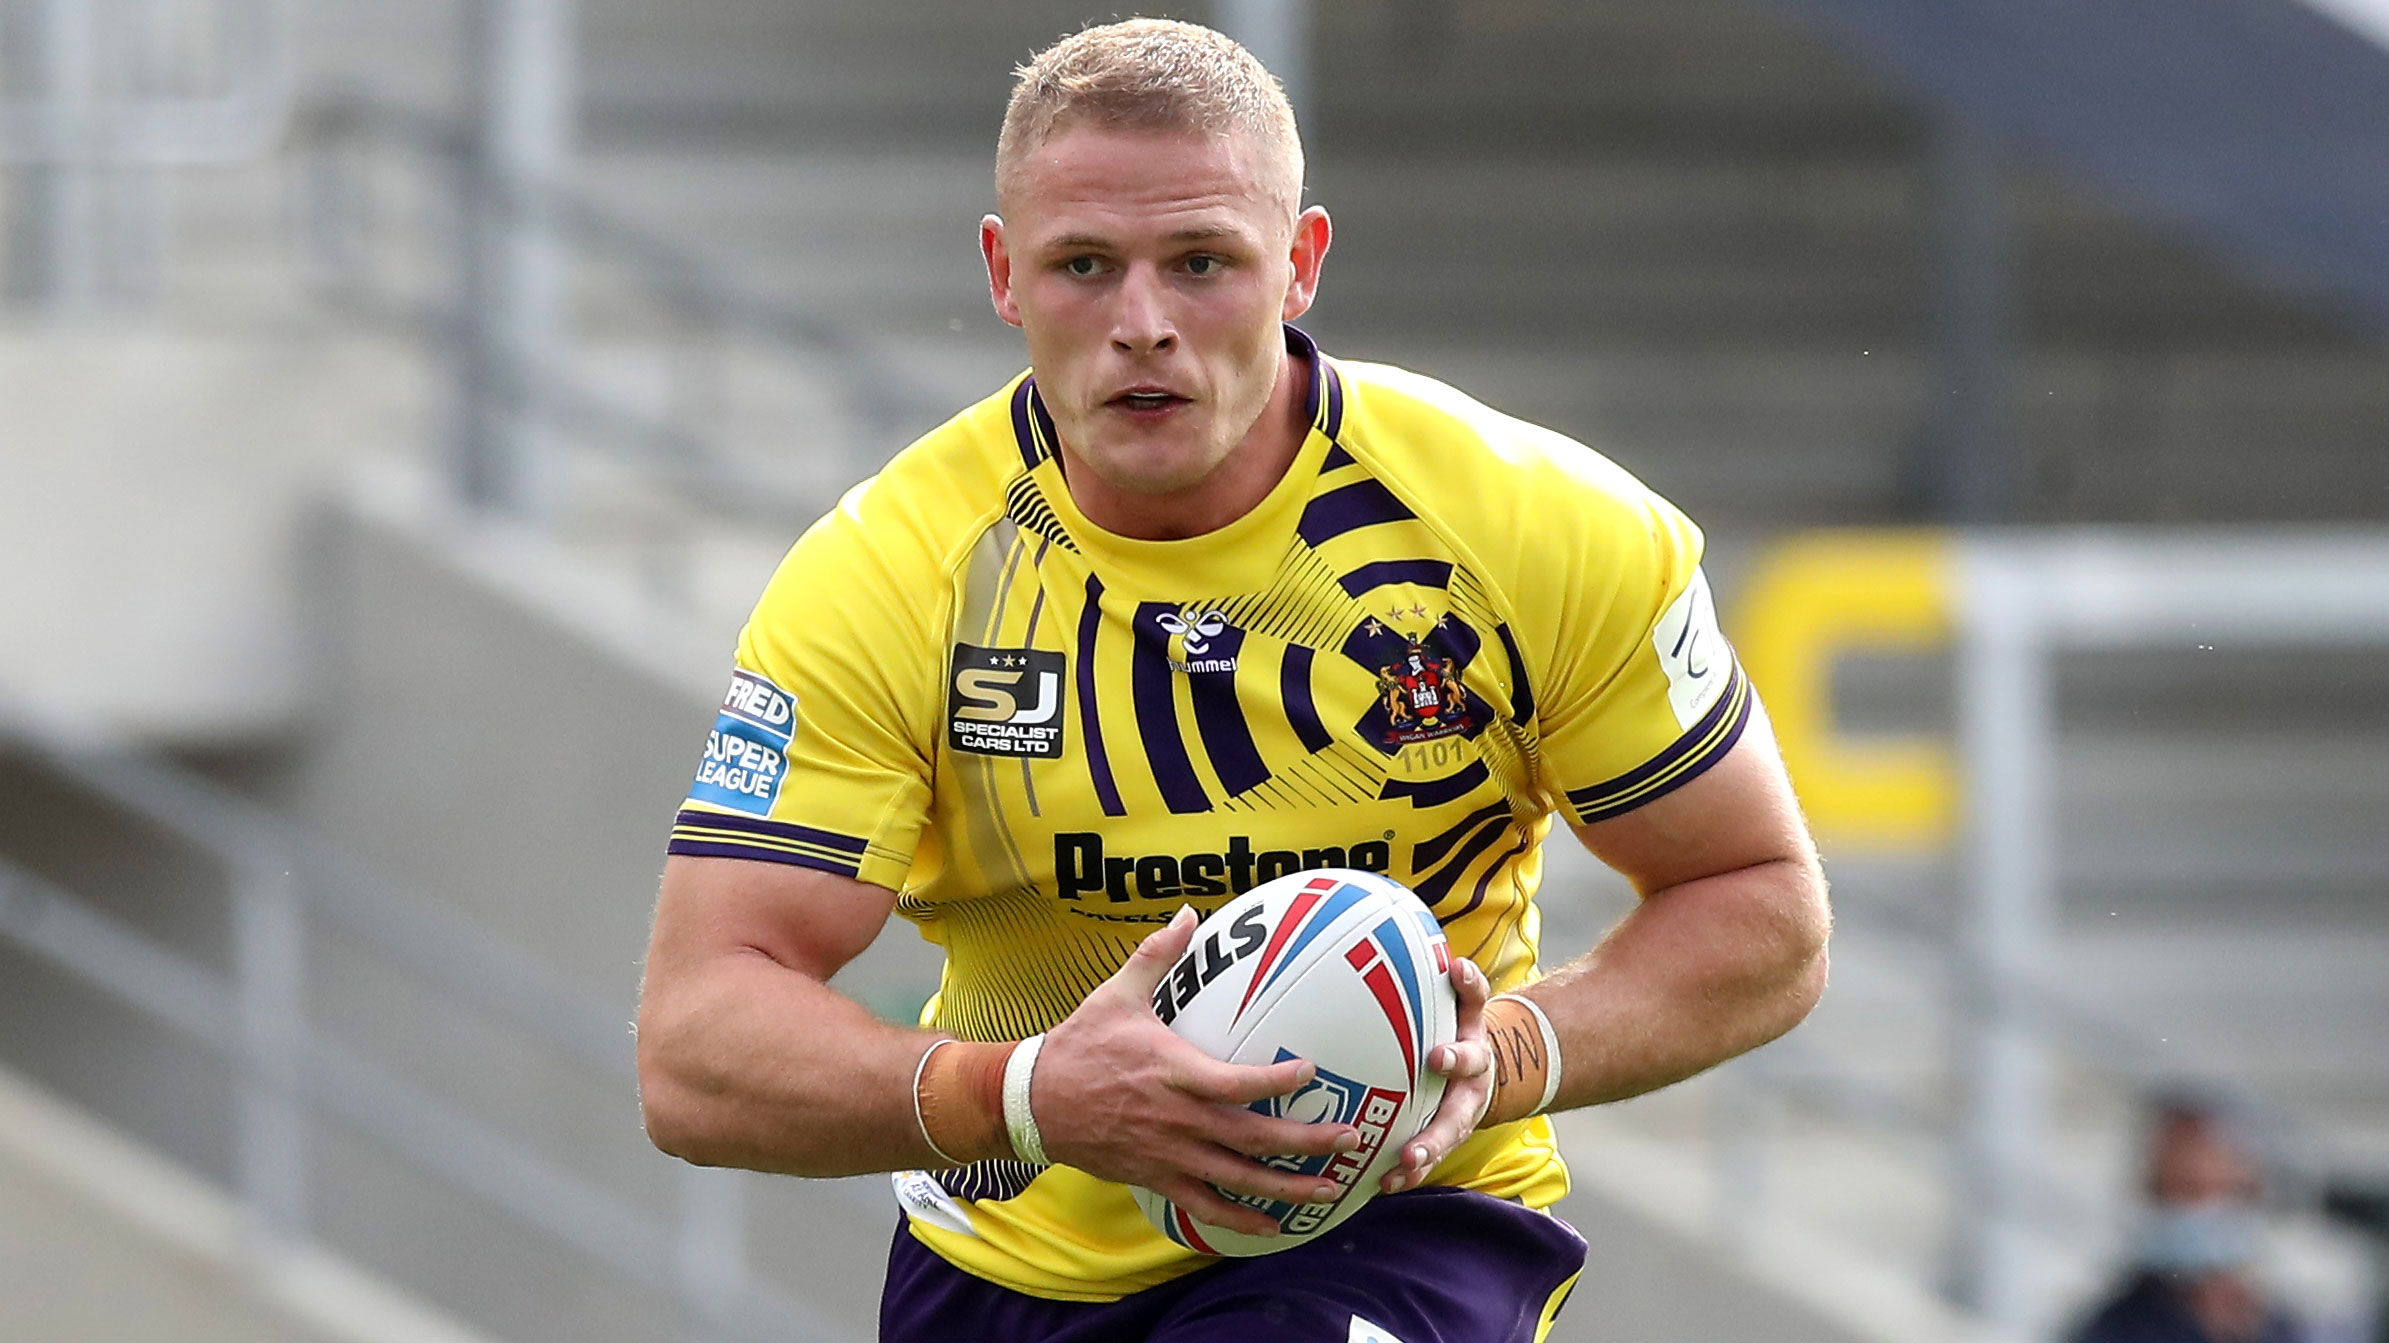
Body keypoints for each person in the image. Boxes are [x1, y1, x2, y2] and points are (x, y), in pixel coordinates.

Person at [635, 19, 1830, 1343]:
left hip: (1400, 1226)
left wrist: (1504, 1057)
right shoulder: (888, 573)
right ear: (1003, 274)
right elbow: (694, 1043)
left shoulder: (1538, 527)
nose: (1142, 324)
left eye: (1201, 262)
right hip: (1012, 1270)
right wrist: (1028, 1093)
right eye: (1083, 265)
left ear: (1301, 263)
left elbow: (1760, 904)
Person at [2073, 1101, 2302, 1343]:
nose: (2176, 1208)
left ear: (2246, 1195)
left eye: (2193, 1189)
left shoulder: (2284, 1327)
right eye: (2161, 1192)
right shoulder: (2112, 1330)